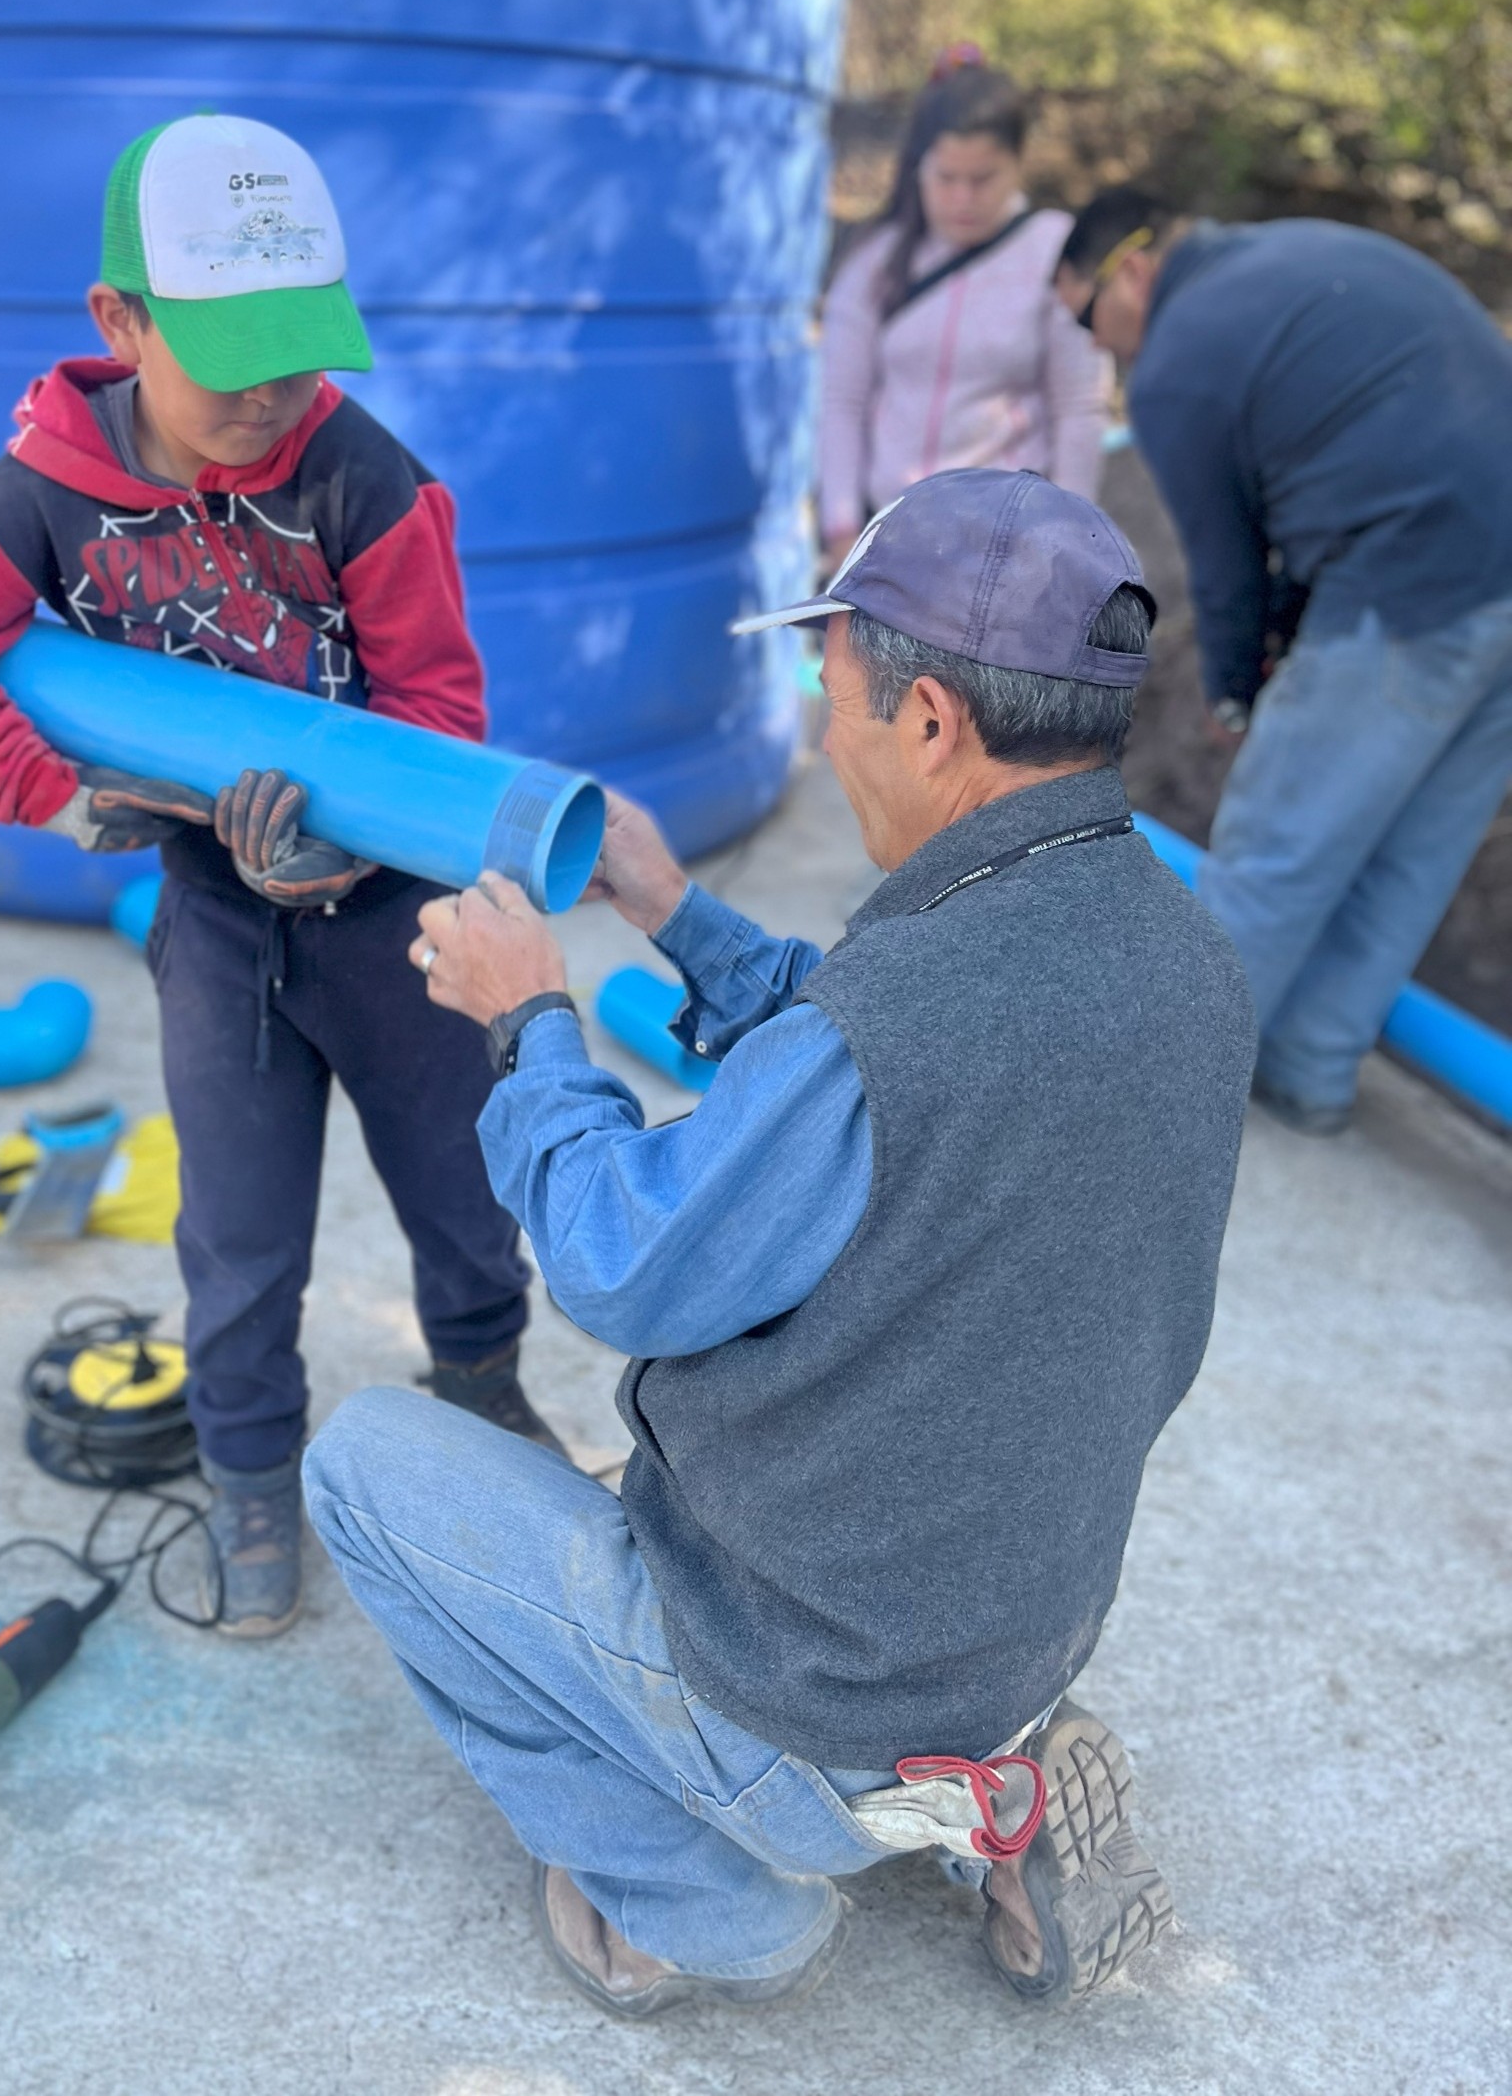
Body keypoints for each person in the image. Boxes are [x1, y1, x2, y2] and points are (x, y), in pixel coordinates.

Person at [300, 469, 1257, 2018]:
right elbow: (879, 1068)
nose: (827, 737)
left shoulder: (892, 1030)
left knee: (361, 1461)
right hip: (1013, 1614)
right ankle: (991, 1798)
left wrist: (529, 1021)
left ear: (933, 718)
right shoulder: (1174, 950)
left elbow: (621, 1255)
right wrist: (676, 909)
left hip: (803, 1671)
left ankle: (709, 1894)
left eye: (841, 700)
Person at [0, 112, 564, 1637]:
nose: (269, 389)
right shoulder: (42, 490)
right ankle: (249, 1467)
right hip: (218, 922)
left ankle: (487, 1380)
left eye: (300, 349)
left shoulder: (367, 478)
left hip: (392, 920)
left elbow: (439, 709)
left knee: (456, 1181)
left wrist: (357, 833)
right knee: (238, 1230)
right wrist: (62, 797)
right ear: (121, 319)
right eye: (230, 347)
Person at [1054, 189, 1512, 1135]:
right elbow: (1324, 486)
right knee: (1411, 851)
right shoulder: (1288, 259)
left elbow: (1226, 569)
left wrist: (1235, 689)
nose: (1097, 347)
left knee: (1277, 846)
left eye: (1086, 315)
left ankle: (1156, 1110)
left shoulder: (1177, 360)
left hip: (1417, 572)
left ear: (1132, 270)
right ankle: (1310, 1070)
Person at [816, 48, 1108, 564]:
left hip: (1009, 545)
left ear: (1019, 164)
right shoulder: (878, 261)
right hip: (891, 539)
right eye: (946, 178)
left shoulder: (1056, 253)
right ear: (918, 168)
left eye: (983, 179)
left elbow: (1079, 407)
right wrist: (842, 528)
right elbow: (841, 400)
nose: (962, 199)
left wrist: (1071, 542)